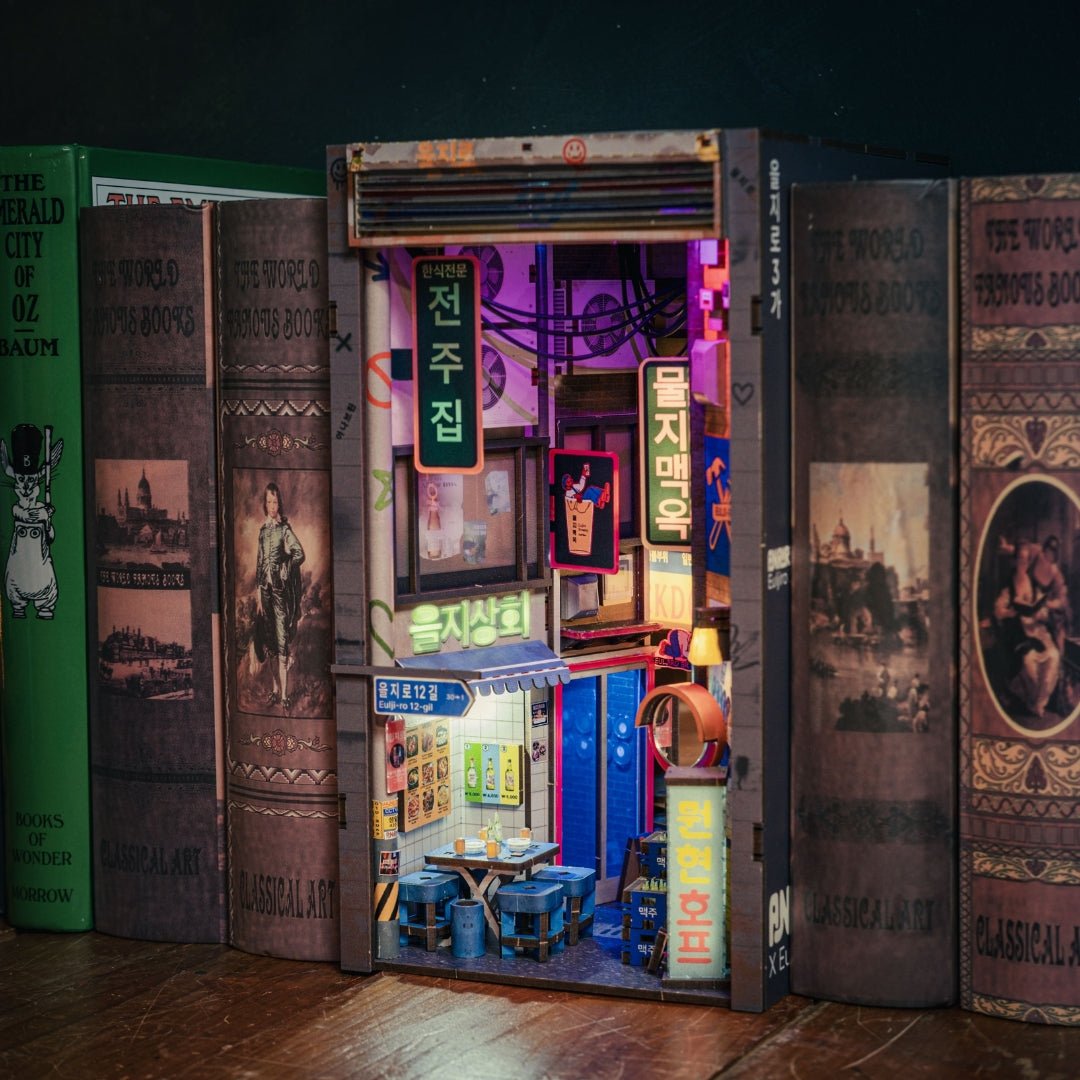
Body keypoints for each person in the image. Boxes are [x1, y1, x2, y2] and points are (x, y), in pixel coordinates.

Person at [993, 539, 1060, 720]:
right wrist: (1010, 612)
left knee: (1053, 656)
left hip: (1037, 629)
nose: (1025, 564)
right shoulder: (1009, 584)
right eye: (1021, 560)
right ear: (1015, 561)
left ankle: (1039, 703)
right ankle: (1030, 700)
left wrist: (1040, 613)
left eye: (1027, 560)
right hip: (1018, 632)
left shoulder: (1033, 582)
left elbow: (1042, 607)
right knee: (1030, 662)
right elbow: (998, 611)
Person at [255, 482, 304, 710]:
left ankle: (285, 695)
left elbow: (299, 553)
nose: (272, 506)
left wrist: (286, 566)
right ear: (265, 504)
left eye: (275, 501)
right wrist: (257, 590)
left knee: (282, 641)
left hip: (280, 593)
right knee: (271, 643)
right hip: (265, 592)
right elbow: (259, 562)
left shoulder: (284, 530)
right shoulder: (263, 531)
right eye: (269, 501)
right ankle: (275, 690)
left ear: (279, 503)